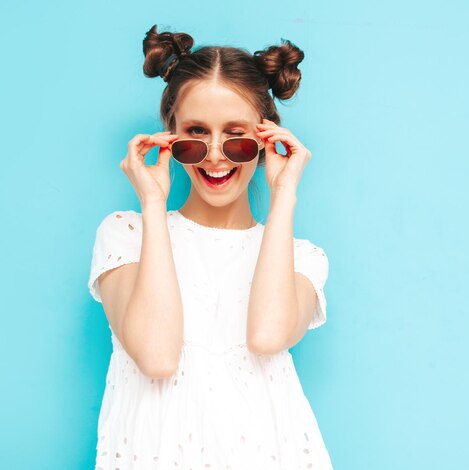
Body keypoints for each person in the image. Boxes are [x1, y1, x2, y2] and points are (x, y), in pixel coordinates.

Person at [87, 24, 332, 469]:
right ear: (170, 135)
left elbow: (267, 336)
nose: (215, 154)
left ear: (265, 139)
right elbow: (157, 357)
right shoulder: (126, 234)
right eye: (196, 132)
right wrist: (153, 204)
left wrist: (284, 195)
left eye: (236, 135)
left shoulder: (302, 258)